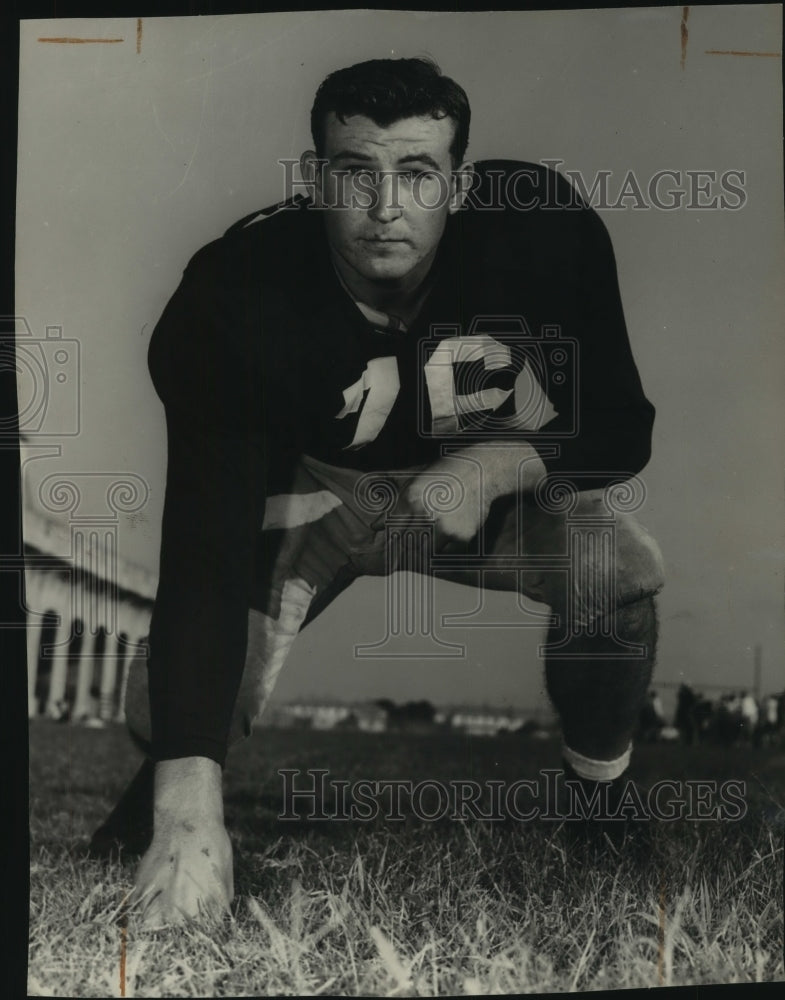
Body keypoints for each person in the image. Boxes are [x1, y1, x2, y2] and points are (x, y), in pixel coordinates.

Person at [90, 57, 664, 925]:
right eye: (356, 171)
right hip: (319, 496)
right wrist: (185, 811)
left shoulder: (544, 232)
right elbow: (205, 549)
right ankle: (171, 797)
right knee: (162, 695)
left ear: (461, 184)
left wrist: (494, 464)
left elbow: (621, 425)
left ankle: (598, 800)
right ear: (316, 178)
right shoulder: (233, 292)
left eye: (417, 173)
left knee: (615, 568)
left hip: (474, 492)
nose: (385, 205)